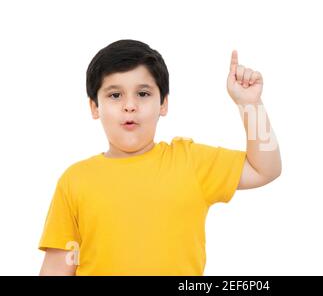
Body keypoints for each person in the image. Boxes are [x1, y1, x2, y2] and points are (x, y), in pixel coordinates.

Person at [38, 39, 282, 275]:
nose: (130, 105)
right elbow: (57, 269)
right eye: (115, 95)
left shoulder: (190, 162)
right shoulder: (75, 180)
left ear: (163, 103)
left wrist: (251, 104)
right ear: (94, 107)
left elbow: (265, 169)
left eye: (143, 94)